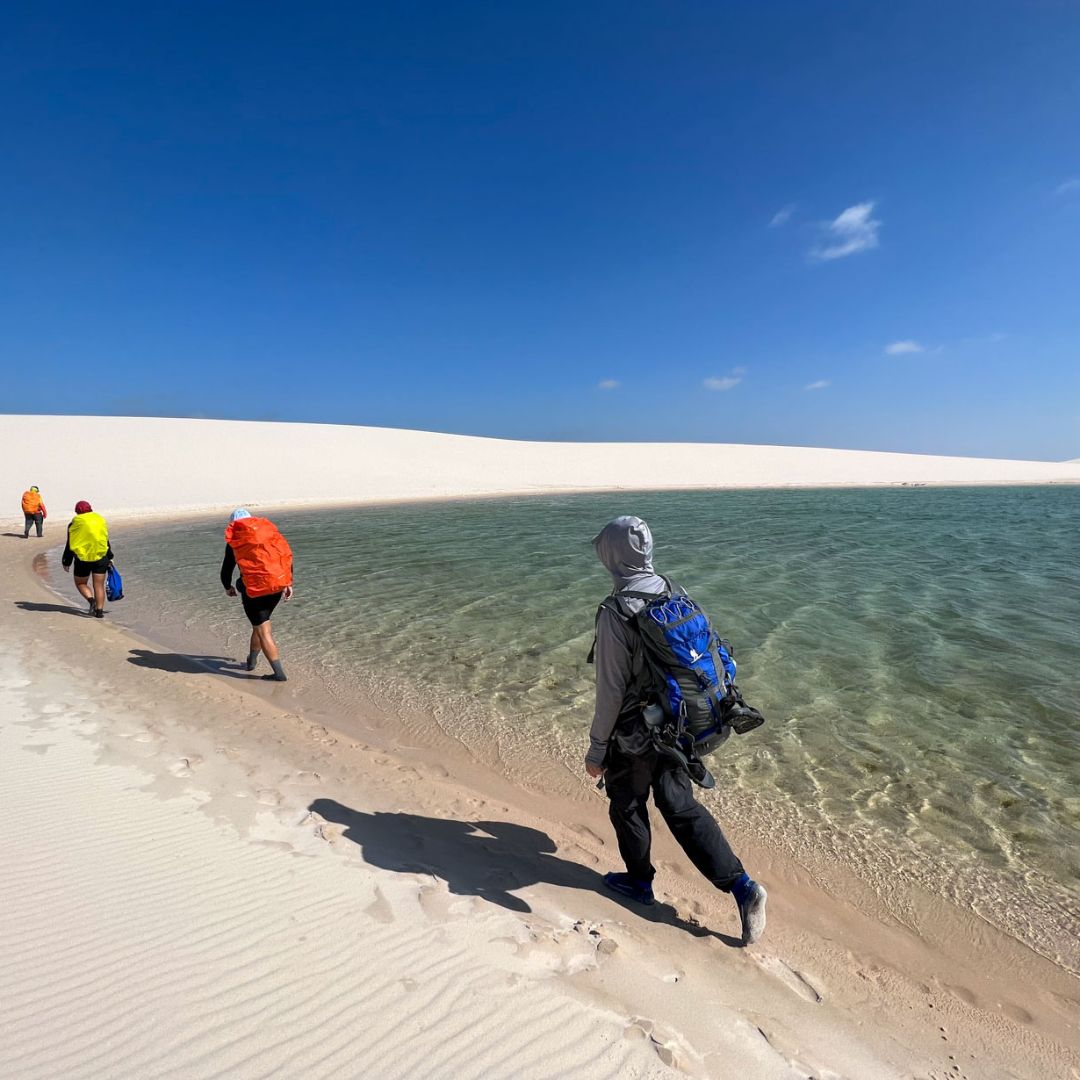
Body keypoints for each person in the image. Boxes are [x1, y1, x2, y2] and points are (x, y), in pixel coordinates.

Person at [585, 515, 767, 945]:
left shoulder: (615, 612)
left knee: (626, 804)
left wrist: (596, 752)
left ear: (613, 556)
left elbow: (610, 692)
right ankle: (743, 888)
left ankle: (639, 883)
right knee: (679, 806)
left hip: (635, 730)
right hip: (678, 724)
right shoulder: (673, 590)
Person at [220, 508, 293, 681]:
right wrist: (289, 582)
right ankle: (251, 661)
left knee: (263, 630)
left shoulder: (235, 541)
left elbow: (226, 569)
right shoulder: (269, 535)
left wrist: (227, 586)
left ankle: (279, 674)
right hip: (276, 587)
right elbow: (286, 555)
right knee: (259, 625)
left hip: (255, 591)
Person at [61, 500, 113, 618]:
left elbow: (70, 544)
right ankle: (99, 612)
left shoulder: (73, 524)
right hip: (101, 557)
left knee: (80, 583)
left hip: (82, 559)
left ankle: (91, 601)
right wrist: (110, 556)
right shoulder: (99, 521)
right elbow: (105, 540)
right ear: (90, 509)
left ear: (77, 511)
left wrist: (66, 561)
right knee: (98, 585)